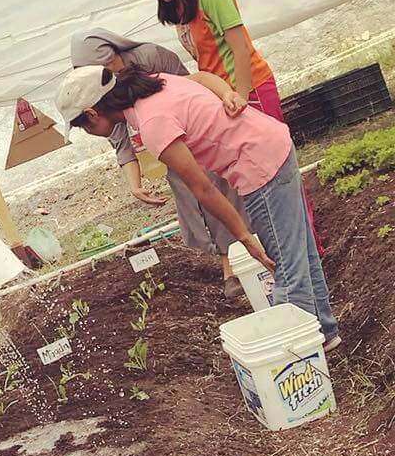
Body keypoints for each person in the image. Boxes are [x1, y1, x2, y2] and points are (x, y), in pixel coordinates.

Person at [57, 66, 340, 350]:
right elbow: (203, 77)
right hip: (274, 143)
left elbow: (203, 188)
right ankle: (325, 333)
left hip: (260, 168)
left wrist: (243, 238)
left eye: (83, 126)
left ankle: (297, 360)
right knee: (300, 252)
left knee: (287, 271)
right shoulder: (156, 83)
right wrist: (225, 92)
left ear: (92, 114)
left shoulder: (153, 123)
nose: (88, 131)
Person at [132, 0, 322, 252]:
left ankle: (306, 247)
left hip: (249, 90)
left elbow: (239, 47)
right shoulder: (180, 1)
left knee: (277, 174)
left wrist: (243, 94)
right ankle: (282, 248)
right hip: (222, 96)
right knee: (251, 178)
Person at [70, 27, 251, 299]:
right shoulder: (100, 90)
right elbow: (117, 134)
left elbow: (189, 87)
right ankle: (227, 255)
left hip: (192, 134)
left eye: (107, 66)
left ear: (114, 56)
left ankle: (233, 267)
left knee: (214, 189)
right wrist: (135, 184)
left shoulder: (151, 57)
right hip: (165, 143)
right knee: (193, 198)